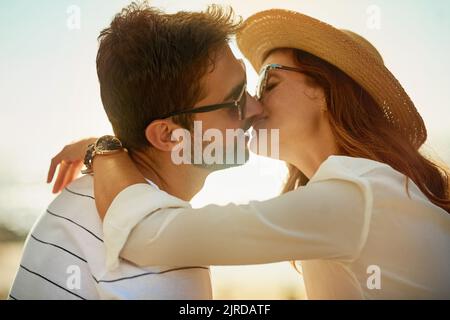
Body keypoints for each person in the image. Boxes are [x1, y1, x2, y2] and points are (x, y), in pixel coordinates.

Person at [49, 9, 450, 299]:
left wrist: (106, 149)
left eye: (268, 81)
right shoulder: (363, 190)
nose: (253, 104)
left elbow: (144, 237)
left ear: (324, 91)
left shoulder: (356, 194)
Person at [9, 3, 262, 300]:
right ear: (167, 135)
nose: (256, 107)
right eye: (235, 102)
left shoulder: (78, 196)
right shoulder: (168, 251)